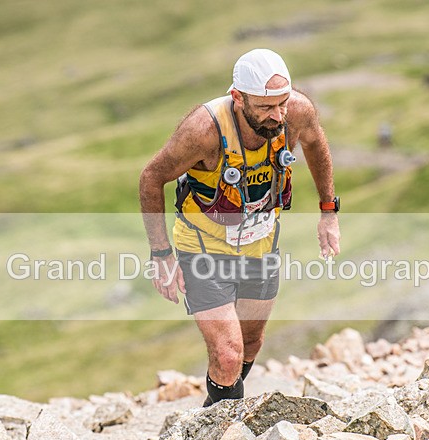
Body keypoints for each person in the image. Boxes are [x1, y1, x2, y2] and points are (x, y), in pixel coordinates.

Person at [139, 48, 340, 406]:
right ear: (238, 97)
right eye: (265, 107)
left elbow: (316, 143)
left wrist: (328, 211)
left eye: (282, 104)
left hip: (261, 244)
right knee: (229, 353)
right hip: (204, 247)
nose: (278, 115)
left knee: (250, 343)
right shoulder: (203, 130)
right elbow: (151, 178)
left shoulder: (297, 111)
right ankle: (222, 434)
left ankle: (214, 410)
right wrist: (160, 254)